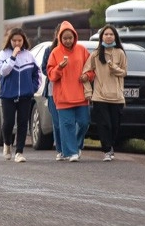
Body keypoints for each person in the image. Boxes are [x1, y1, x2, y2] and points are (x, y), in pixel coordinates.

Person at [45, 20, 91, 162]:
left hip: (81, 95)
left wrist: (87, 76)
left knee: (84, 123)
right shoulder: (55, 52)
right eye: (64, 38)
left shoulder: (82, 50)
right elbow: (51, 75)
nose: (68, 41)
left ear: (75, 36)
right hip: (63, 97)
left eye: (70, 38)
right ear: (59, 38)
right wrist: (59, 67)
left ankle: (76, 145)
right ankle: (71, 152)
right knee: (67, 125)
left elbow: (91, 68)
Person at [0, 27, 39, 163]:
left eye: (19, 40)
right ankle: (7, 143)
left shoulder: (29, 55)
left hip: (25, 95)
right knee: (8, 122)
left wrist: (32, 88)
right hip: (8, 95)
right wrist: (13, 56)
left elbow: (36, 74)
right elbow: (3, 71)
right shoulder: (3, 54)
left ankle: (19, 152)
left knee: (22, 123)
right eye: (14, 40)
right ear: (10, 40)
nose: (17, 43)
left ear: (23, 40)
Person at [83, 24, 128, 161]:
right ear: (101, 37)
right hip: (100, 96)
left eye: (111, 34)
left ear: (115, 37)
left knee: (114, 126)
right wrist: (88, 92)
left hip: (117, 97)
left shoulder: (120, 53)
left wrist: (114, 67)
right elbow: (85, 73)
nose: (108, 37)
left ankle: (111, 146)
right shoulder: (96, 54)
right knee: (104, 125)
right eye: (106, 34)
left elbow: (124, 72)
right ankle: (107, 150)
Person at [37, 28, 65, 160]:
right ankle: (60, 149)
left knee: (70, 122)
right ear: (57, 35)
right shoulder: (49, 50)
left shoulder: (75, 50)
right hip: (52, 91)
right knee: (57, 122)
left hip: (69, 91)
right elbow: (44, 68)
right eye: (61, 34)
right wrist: (55, 72)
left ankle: (71, 148)